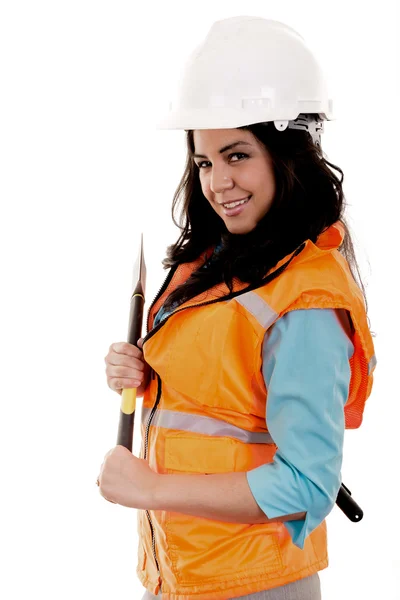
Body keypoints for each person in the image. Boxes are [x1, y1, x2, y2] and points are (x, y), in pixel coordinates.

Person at [104, 16, 377, 600]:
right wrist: (149, 373)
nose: (217, 182)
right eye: (204, 162)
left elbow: (308, 486)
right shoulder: (225, 261)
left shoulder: (303, 300)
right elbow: (223, 397)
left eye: (236, 155)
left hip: (255, 584)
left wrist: (150, 490)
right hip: (185, 573)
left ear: (286, 153)